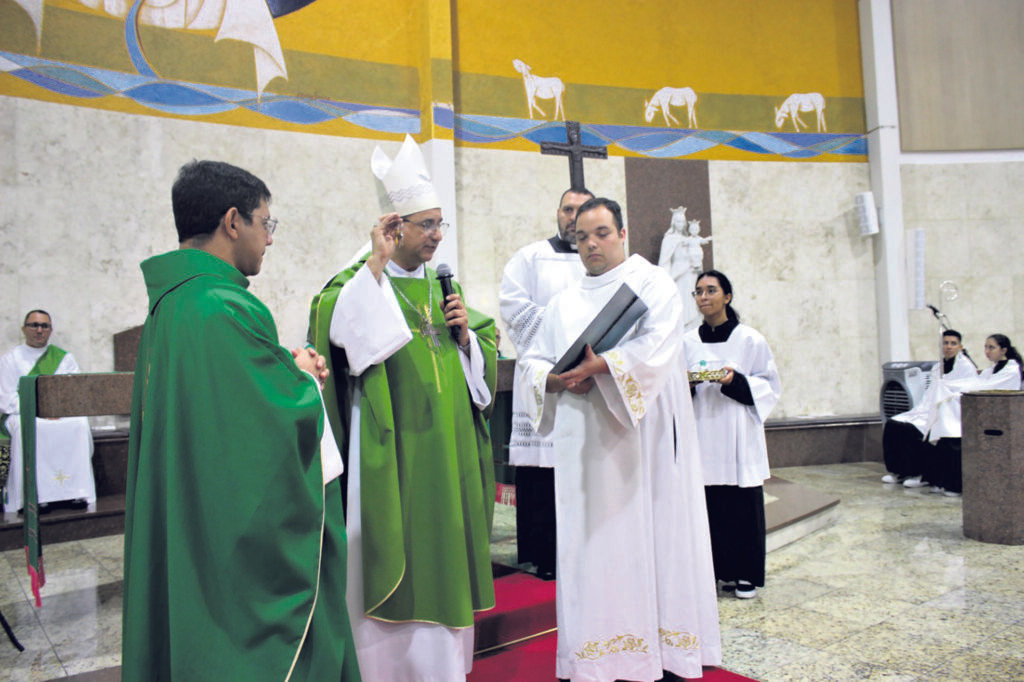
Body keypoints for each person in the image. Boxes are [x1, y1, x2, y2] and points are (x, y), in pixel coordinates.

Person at [122, 160, 359, 681]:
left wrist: (285, 372)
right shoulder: (227, 308)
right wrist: (303, 381)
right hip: (230, 553)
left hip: (192, 511)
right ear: (233, 221)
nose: (268, 240)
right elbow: (271, 429)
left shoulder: (171, 306)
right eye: (265, 223)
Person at [309, 135, 497, 681]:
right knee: (397, 551)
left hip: (449, 447)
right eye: (426, 225)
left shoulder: (447, 287)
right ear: (394, 227)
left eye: (441, 224)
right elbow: (340, 330)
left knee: (444, 554)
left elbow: (479, 355)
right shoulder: (361, 280)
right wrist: (376, 263)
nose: (438, 235)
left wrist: (467, 343)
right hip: (394, 450)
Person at [518, 197, 721, 681]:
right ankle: (593, 655)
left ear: (622, 233)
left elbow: (658, 344)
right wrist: (552, 379)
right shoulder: (564, 302)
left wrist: (603, 367)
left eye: (602, 233)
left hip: (640, 444)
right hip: (582, 447)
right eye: (582, 237)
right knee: (589, 549)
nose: (591, 243)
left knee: (644, 541)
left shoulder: (651, 282)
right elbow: (534, 360)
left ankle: (650, 650)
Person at [498, 186, 592, 580]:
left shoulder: (599, 262)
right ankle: (543, 555)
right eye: (568, 210)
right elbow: (514, 308)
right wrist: (560, 341)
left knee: (582, 465)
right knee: (542, 469)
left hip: (588, 377)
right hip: (544, 375)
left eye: (582, 211)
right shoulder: (530, 257)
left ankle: (585, 552)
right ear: (557, 213)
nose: (573, 218)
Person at [683, 270, 782, 600]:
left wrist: (736, 381)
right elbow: (672, 390)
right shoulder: (686, 342)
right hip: (702, 430)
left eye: (711, 290)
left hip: (736, 430)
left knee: (741, 505)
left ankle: (744, 574)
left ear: (727, 296)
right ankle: (711, 572)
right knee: (707, 507)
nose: (703, 297)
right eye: (698, 292)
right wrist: (689, 383)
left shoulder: (750, 339)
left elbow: (769, 385)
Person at [0, 310, 95, 514]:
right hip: (22, 414)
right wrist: (39, 411)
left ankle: (76, 491)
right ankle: (36, 496)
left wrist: (58, 410)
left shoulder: (64, 358)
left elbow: (72, 392)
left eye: (44, 326)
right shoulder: (10, 359)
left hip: (57, 413)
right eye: (34, 325)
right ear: (24, 329)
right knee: (33, 427)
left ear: (51, 330)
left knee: (78, 423)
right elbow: (7, 399)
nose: (39, 330)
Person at [917, 333, 1023, 496]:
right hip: (983, 408)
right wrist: (948, 385)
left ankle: (953, 482)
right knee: (945, 408)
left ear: (1004, 350)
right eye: (986, 347)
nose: (987, 351)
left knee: (949, 407)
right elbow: (976, 383)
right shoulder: (991, 369)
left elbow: (989, 388)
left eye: (991, 347)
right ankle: (940, 478)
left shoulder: (1012, 369)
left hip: (999, 415)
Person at [882, 329, 977, 486]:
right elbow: (930, 393)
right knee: (894, 424)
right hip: (928, 407)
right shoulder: (937, 367)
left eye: (953, 343)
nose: (949, 347)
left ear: (960, 347)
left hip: (950, 410)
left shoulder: (966, 367)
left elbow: (964, 390)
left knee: (914, 429)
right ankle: (899, 472)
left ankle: (919, 474)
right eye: (946, 343)